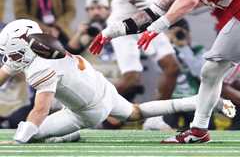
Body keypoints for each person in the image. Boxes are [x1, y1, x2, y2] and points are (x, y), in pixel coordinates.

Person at [89, 0, 240, 143]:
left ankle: (198, 130)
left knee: (211, 71)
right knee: (211, 71)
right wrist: (111, 32)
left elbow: (189, 0)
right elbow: (154, 11)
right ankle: (198, 131)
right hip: (237, 16)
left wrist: (157, 28)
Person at [0, 19, 235, 144]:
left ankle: (67, 133)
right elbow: (6, 70)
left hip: (85, 113)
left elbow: (40, 109)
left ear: (22, 47)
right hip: (103, 89)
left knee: (33, 133)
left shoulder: (41, 66)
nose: (8, 57)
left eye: (10, 51)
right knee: (135, 112)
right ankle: (204, 101)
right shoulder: (41, 50)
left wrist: (20, 140)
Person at [67, 0, 121, 84]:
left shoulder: (117, 26)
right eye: (91, 9)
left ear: (108, 10)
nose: (96, 12)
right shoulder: (84, 29)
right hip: (92, 74)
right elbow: (70, 52)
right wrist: (79, 33)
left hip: (115, 73)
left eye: (100, 8)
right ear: (87, 12)